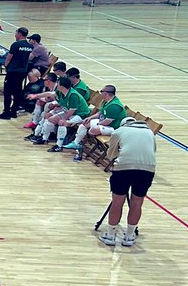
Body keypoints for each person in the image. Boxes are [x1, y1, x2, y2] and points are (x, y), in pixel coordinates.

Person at [93, 116, 156, 246]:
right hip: (147, 169)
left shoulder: (119, 131)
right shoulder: (149, 132)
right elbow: (153, 151)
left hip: (124, 168)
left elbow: (111, 154)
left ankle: (110, 235)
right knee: (137, 202)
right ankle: (129, 236)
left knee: (117, 201)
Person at [67, 84, 124, 161]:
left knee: (94, 129)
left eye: (101, 91)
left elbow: (108, 121)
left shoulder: (114, 106)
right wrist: (89, 118)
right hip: (103, 123)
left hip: (113, 128)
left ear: (105, 93)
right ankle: (76, 143)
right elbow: (99, 113)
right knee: (85, 123)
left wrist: (96, 124)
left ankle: (86, 141)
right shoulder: (106, 101)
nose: (100, 93)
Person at [32, 75, 89, 151]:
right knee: (50, 119)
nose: (57, 85)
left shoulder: (73, 95)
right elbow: (49, 94)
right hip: (69, 112)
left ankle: (59, 145)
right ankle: (44, 138)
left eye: (58, 84)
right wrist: (36, 96)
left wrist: (64, 119)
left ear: (62, 86)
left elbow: (72, 110)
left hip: (80, 115)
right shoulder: (61, 92)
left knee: (62, 123)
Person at [0, 26, 34, 119]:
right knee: (17, 91)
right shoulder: (30, 46)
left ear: (19, 34)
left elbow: (9, 58)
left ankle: (6, 112)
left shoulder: (15, 45)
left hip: (13, 71)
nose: (15, 35)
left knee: (8, 92)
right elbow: (29, 58)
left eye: (16, 33)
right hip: (22, 72)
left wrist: (6, 66)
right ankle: (14, 111)